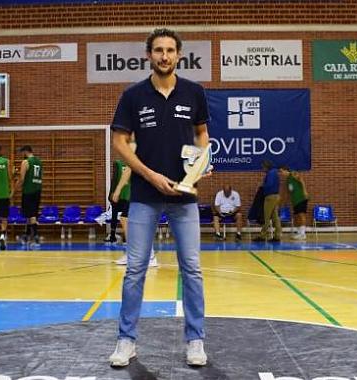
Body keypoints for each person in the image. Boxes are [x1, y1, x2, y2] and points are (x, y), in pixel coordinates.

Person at [108, 28, 209, 368]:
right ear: (148, 55)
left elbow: (201, 134)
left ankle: (195, 340)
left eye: (170, 50)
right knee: (135, 269)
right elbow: (119, 143)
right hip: (144, 196)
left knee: (192, 269)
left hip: (184, 199)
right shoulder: (133, 96)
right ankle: (126, 341)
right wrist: (149, 175)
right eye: (158, 50)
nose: (164, 56)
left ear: (179, 54)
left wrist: (199, 165)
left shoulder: (194, 92)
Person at [13, 145, 42, 245]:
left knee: (31, 215)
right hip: (37, 190)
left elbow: (22, 179)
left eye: (22, 153)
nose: (22, 155)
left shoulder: (25, 162)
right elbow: (32, 175)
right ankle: (26, 235)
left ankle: (35, 236)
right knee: (31, 214)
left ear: (25, 151)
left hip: (28, 190)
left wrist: (13, 190)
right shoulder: (39, 161)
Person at [253, 160, 282, 243]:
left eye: (263, 167)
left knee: (266, 217)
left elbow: (269, 184)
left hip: (270, 197)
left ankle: (262, 236)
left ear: (266, 166)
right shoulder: (275, 173)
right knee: (275, 217)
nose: (262, 169)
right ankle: (277, 236)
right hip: (276, 196)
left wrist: (262, 185)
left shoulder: (270, 173)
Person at [280, 166, 309, 240]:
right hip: (295, 201)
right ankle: (299, 232)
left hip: (301, 198)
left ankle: (303, 234)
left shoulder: (293, 174)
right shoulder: (287, 180)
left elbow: (301, 180)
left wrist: (304, 191)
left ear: (286, 170)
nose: (281, 173)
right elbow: (289, 192)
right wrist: (285, 201)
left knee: (301, 215)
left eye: (281, 171)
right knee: (296, 216)